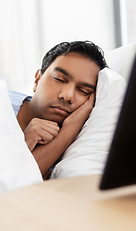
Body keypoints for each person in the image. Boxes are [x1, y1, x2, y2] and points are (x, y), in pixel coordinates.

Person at [7, 40, 108, 179]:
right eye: (59, 79)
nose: (67, 96)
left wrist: (69, 130)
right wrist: (25, 141)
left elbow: (17, 182)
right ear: (37, 80)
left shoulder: (76, 150)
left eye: (84, 91)